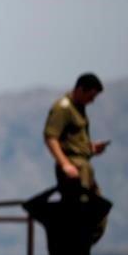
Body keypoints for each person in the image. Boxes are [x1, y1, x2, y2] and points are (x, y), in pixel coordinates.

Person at [42, 72, 111, 244]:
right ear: (81, 90)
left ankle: (80, 252)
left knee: (96, 212)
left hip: (84, 167)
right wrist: (65, 164)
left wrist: (91, 148)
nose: (92, 100)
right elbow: (51, 137)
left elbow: (73, 141)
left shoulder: (78, 109)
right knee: (77, 214)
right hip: (73, 170)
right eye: (91, 95)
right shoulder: (63, 108)